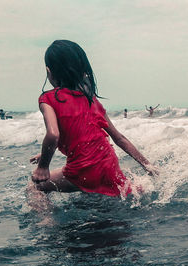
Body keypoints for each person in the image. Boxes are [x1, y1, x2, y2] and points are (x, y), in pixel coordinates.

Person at [29, 40, 157, 204]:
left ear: (49, 71)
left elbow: (53, 134)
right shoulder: (92, 100)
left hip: (83, 173)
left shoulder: (47, 99)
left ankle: (47, 224)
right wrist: (148, 166)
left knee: (35, 186)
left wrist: (43, 167)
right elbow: (119, 139)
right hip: (108, 168)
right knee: (122, 184)